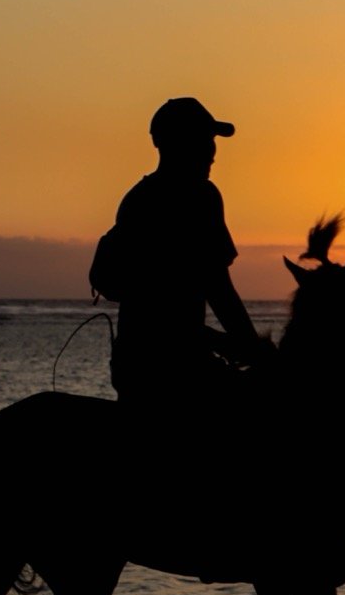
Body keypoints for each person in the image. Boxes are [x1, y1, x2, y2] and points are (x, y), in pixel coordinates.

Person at [107, 96, 267, 412]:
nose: (212, 152)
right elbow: (219, 290)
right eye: (205, 140)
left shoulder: (136, 199)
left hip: (131, 365)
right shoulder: (200, 197)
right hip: (177, 365)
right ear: (181, 144)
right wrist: (253, 349)